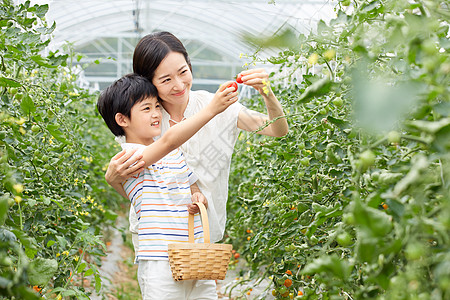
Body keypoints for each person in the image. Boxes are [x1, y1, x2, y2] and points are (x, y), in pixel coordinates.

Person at [105, 31, 289, 247]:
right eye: (166, 80)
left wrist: (268, 93)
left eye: (183, 72)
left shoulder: (220, 106)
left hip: (206, 232)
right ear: (149, 82)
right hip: (157, 237)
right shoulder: (148, 118)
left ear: (190, 66)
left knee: (205, 281)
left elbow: (277, 129)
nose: (179, 85)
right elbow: (136, 182)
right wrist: (113, 178)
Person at [97, 73, 238, 299]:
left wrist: (197, 198)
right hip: (159, 260)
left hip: (194, 257)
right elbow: (169, 139)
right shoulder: (128, 158)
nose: (156, 114)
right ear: (123, 120)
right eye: (146, 109)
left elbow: (192, 187)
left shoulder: (173, 154)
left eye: (156, 106)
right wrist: (212, 109)